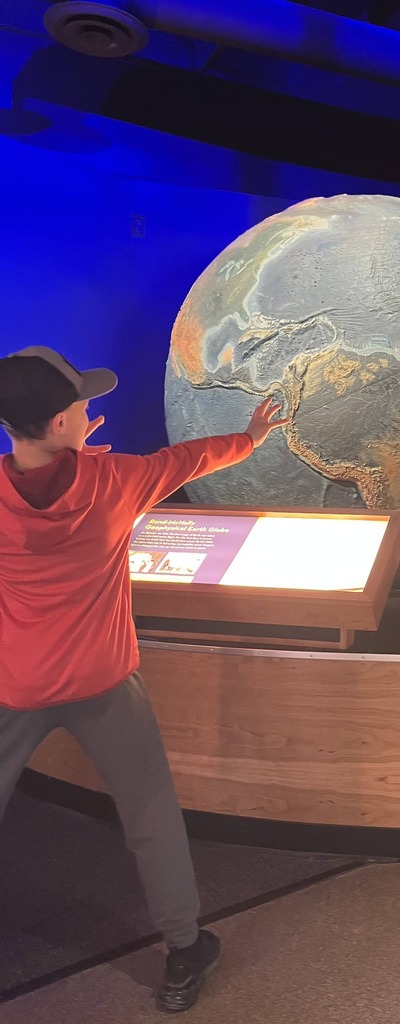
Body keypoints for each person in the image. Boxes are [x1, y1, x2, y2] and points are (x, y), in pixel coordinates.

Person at [0, 345, 288, 1014]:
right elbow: (191, 460)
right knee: (151, 817)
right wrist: (251, 436)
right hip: (104, 683)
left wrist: (68, 452)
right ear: (62, 422)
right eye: (82, 406)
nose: (89, 410)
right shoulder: (117, 480)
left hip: (15, 685)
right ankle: (184, 951)